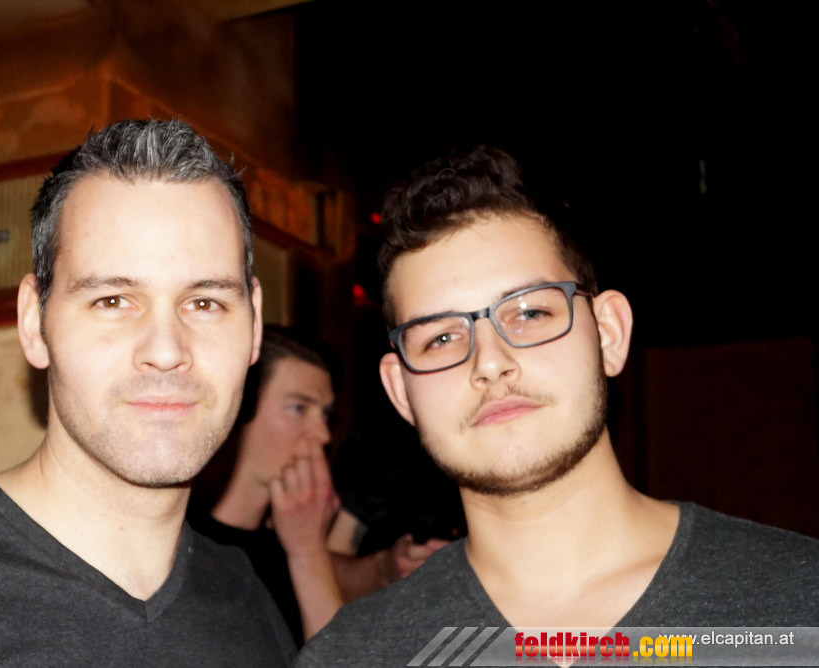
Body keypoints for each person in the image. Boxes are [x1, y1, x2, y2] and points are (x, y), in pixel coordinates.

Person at [296, 146, 819, 666]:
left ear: (608, 334)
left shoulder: (797, 608)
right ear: (400, 391)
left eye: (529, 313)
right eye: (441, 338)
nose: (490, 362)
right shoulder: (350, 657)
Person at [0, 119, 296, 665]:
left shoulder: (249, 602)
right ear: (34, 322)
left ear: (254, 326)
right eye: (112, 300)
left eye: (205, 303)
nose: (166, 350)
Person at [190, 326, 341, 645]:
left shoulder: (286, 549)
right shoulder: (179, 541)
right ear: (240, 407)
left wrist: (310, 551)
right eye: (299, 408)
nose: (322, 434)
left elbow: (338, 656)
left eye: (325, 415)